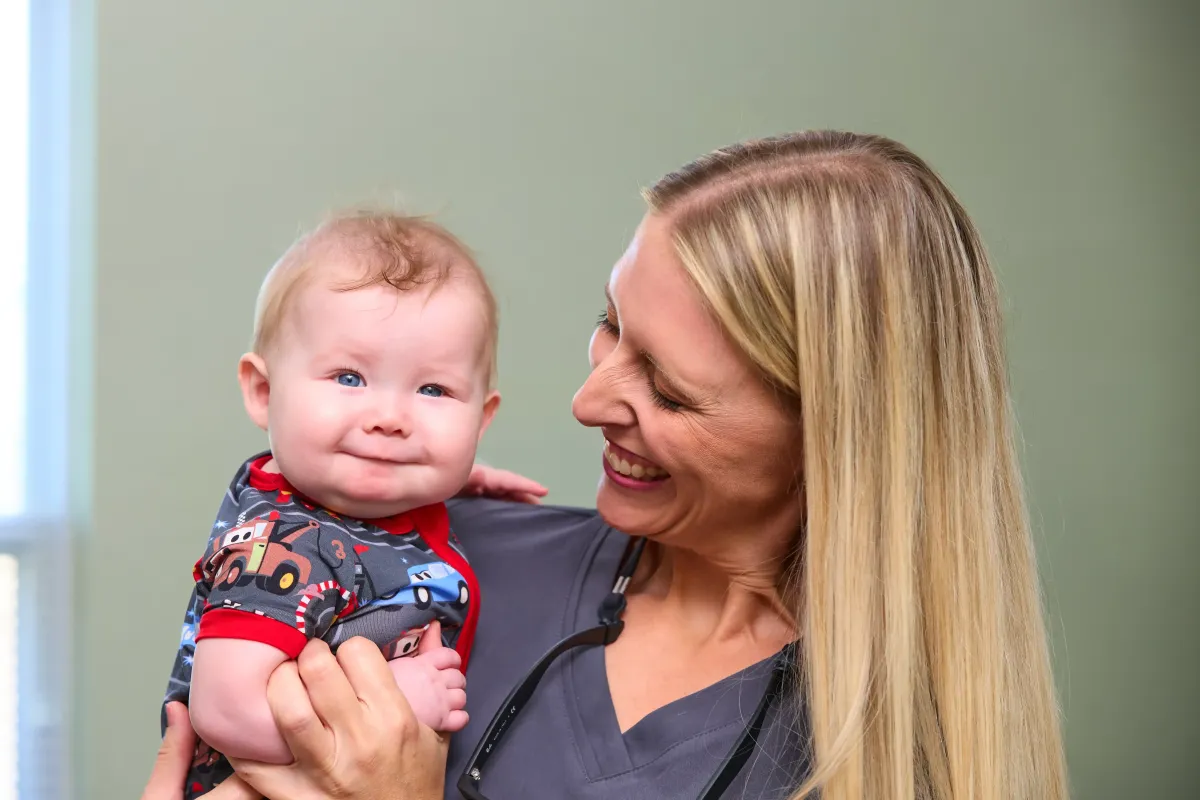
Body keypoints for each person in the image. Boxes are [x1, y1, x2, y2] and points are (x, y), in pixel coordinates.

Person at [144, 130, 1069, 800]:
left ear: (833, 436)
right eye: (611, 326)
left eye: (667, 388)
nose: (586, 404)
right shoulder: (434, 551)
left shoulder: (889, 757)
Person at [161, 211, 546, 798]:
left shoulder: (353, 500)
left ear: (480, 419)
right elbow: (227, 712)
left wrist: (445, 486)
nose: (390, 419)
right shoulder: (280, 549)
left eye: (433, 390)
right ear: (265, 392)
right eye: (348, 378)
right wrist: (399, 701)